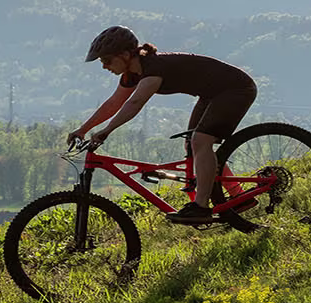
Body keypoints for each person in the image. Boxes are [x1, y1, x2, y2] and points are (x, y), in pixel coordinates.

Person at [68, 25, 257, 225]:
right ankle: (239, 198)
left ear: (124, 55)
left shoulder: (153, 69)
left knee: (201, 140)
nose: (104, 66)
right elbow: (114, 103)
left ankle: (200, 207)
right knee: (193, 145)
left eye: (107, 60)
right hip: (212, 94)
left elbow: (134, 103)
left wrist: (106, 131)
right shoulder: (133, 74)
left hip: (236, 89)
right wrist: (83, 129)